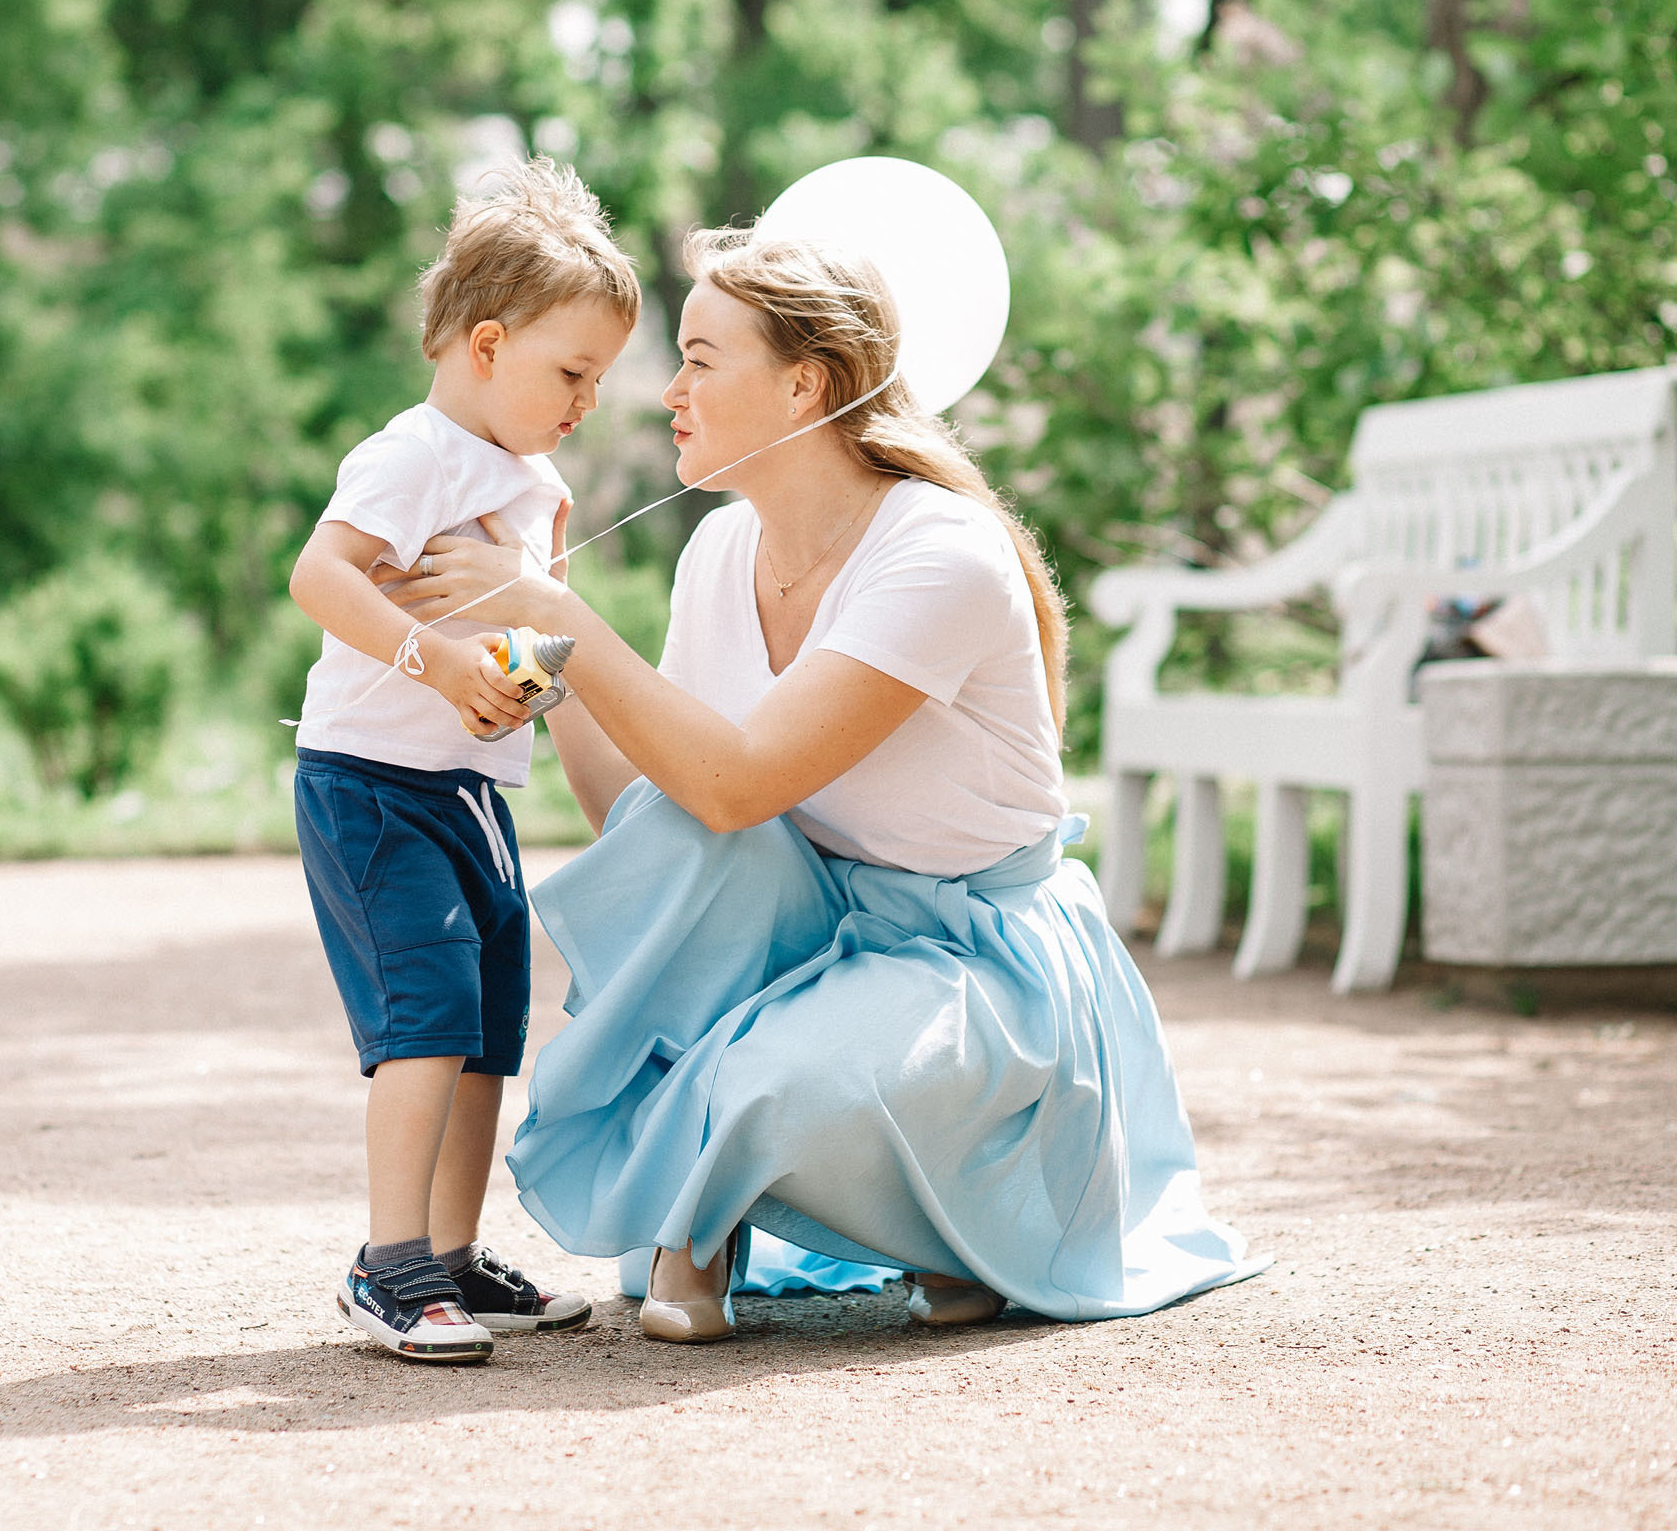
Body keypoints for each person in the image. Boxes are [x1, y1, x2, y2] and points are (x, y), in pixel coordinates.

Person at [386, 225, 1266, 1344]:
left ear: (804, 383)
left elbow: (740, 783)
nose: (668, 390)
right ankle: (741, 1223)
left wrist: (563, 617)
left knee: (772, 1088)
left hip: (975, 962)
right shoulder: (718, 552)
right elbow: (654, 818)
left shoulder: (942, 552)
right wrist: (539, 637)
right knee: (707, 888)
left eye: (702, 358)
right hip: (815, 929)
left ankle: (952, 1215)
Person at [286, 159, 638, 1363]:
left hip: (471, 786)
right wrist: (435, 663)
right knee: (423, 1015)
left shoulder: (541, 488)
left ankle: (447, 1252)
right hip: (371, 781)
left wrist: (512, 692)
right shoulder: (413, 453)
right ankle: (386, 1266)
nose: (588, 399)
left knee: (490, 1025)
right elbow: (318, 578)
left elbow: (544, 633)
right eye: (573, 373)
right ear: (487, 345)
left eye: (601, 377)